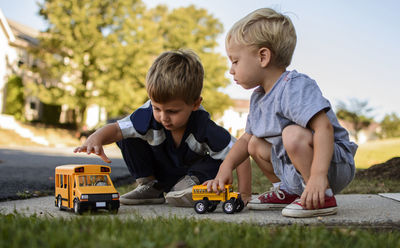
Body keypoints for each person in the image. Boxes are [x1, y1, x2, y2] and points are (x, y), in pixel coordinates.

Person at [205, 8, 357, 218]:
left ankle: (323, 196)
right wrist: (226, 165)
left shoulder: (294, 86)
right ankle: (287, 190)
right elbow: (246, 138)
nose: (231, 69)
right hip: (299, 166)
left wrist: (319, 176)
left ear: (263, 56)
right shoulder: (259, 97)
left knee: (291, 134)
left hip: (331, 164)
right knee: (254, 143)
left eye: (235, 61)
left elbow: (324, 128)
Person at [74, 49, 251, 207]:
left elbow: (240, 154)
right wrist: (95, 138)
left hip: (193, 174)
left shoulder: (203, 125)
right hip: (160, 171)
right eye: (157, 108)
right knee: (127, 136)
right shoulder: (147, 115)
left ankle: (189, 186)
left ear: (195, 104)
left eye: (173, 111)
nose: (163, 117)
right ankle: (150, 186)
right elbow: (117, 129)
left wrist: (244, 195)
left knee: (220, 160)